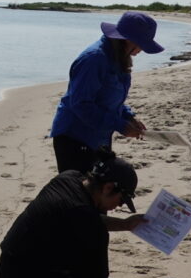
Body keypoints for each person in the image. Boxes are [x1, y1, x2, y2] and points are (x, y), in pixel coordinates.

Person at [0, 151, 146, 278]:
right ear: (108, 188)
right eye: (121, 200)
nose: (118, 206)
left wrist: (125, 224)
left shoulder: (69, 178)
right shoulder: (87, 222)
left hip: (10, 265)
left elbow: (85, 216)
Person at [49, 11, 163, 173]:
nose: (142, 50)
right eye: (142, 44)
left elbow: (108, 99)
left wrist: (129, 116)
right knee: (81, 193)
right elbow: (81, 104)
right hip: (74, 138)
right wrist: (120, 125)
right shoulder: (94, 59)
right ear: (127, 40)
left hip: (98, 137)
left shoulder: (118, 57)